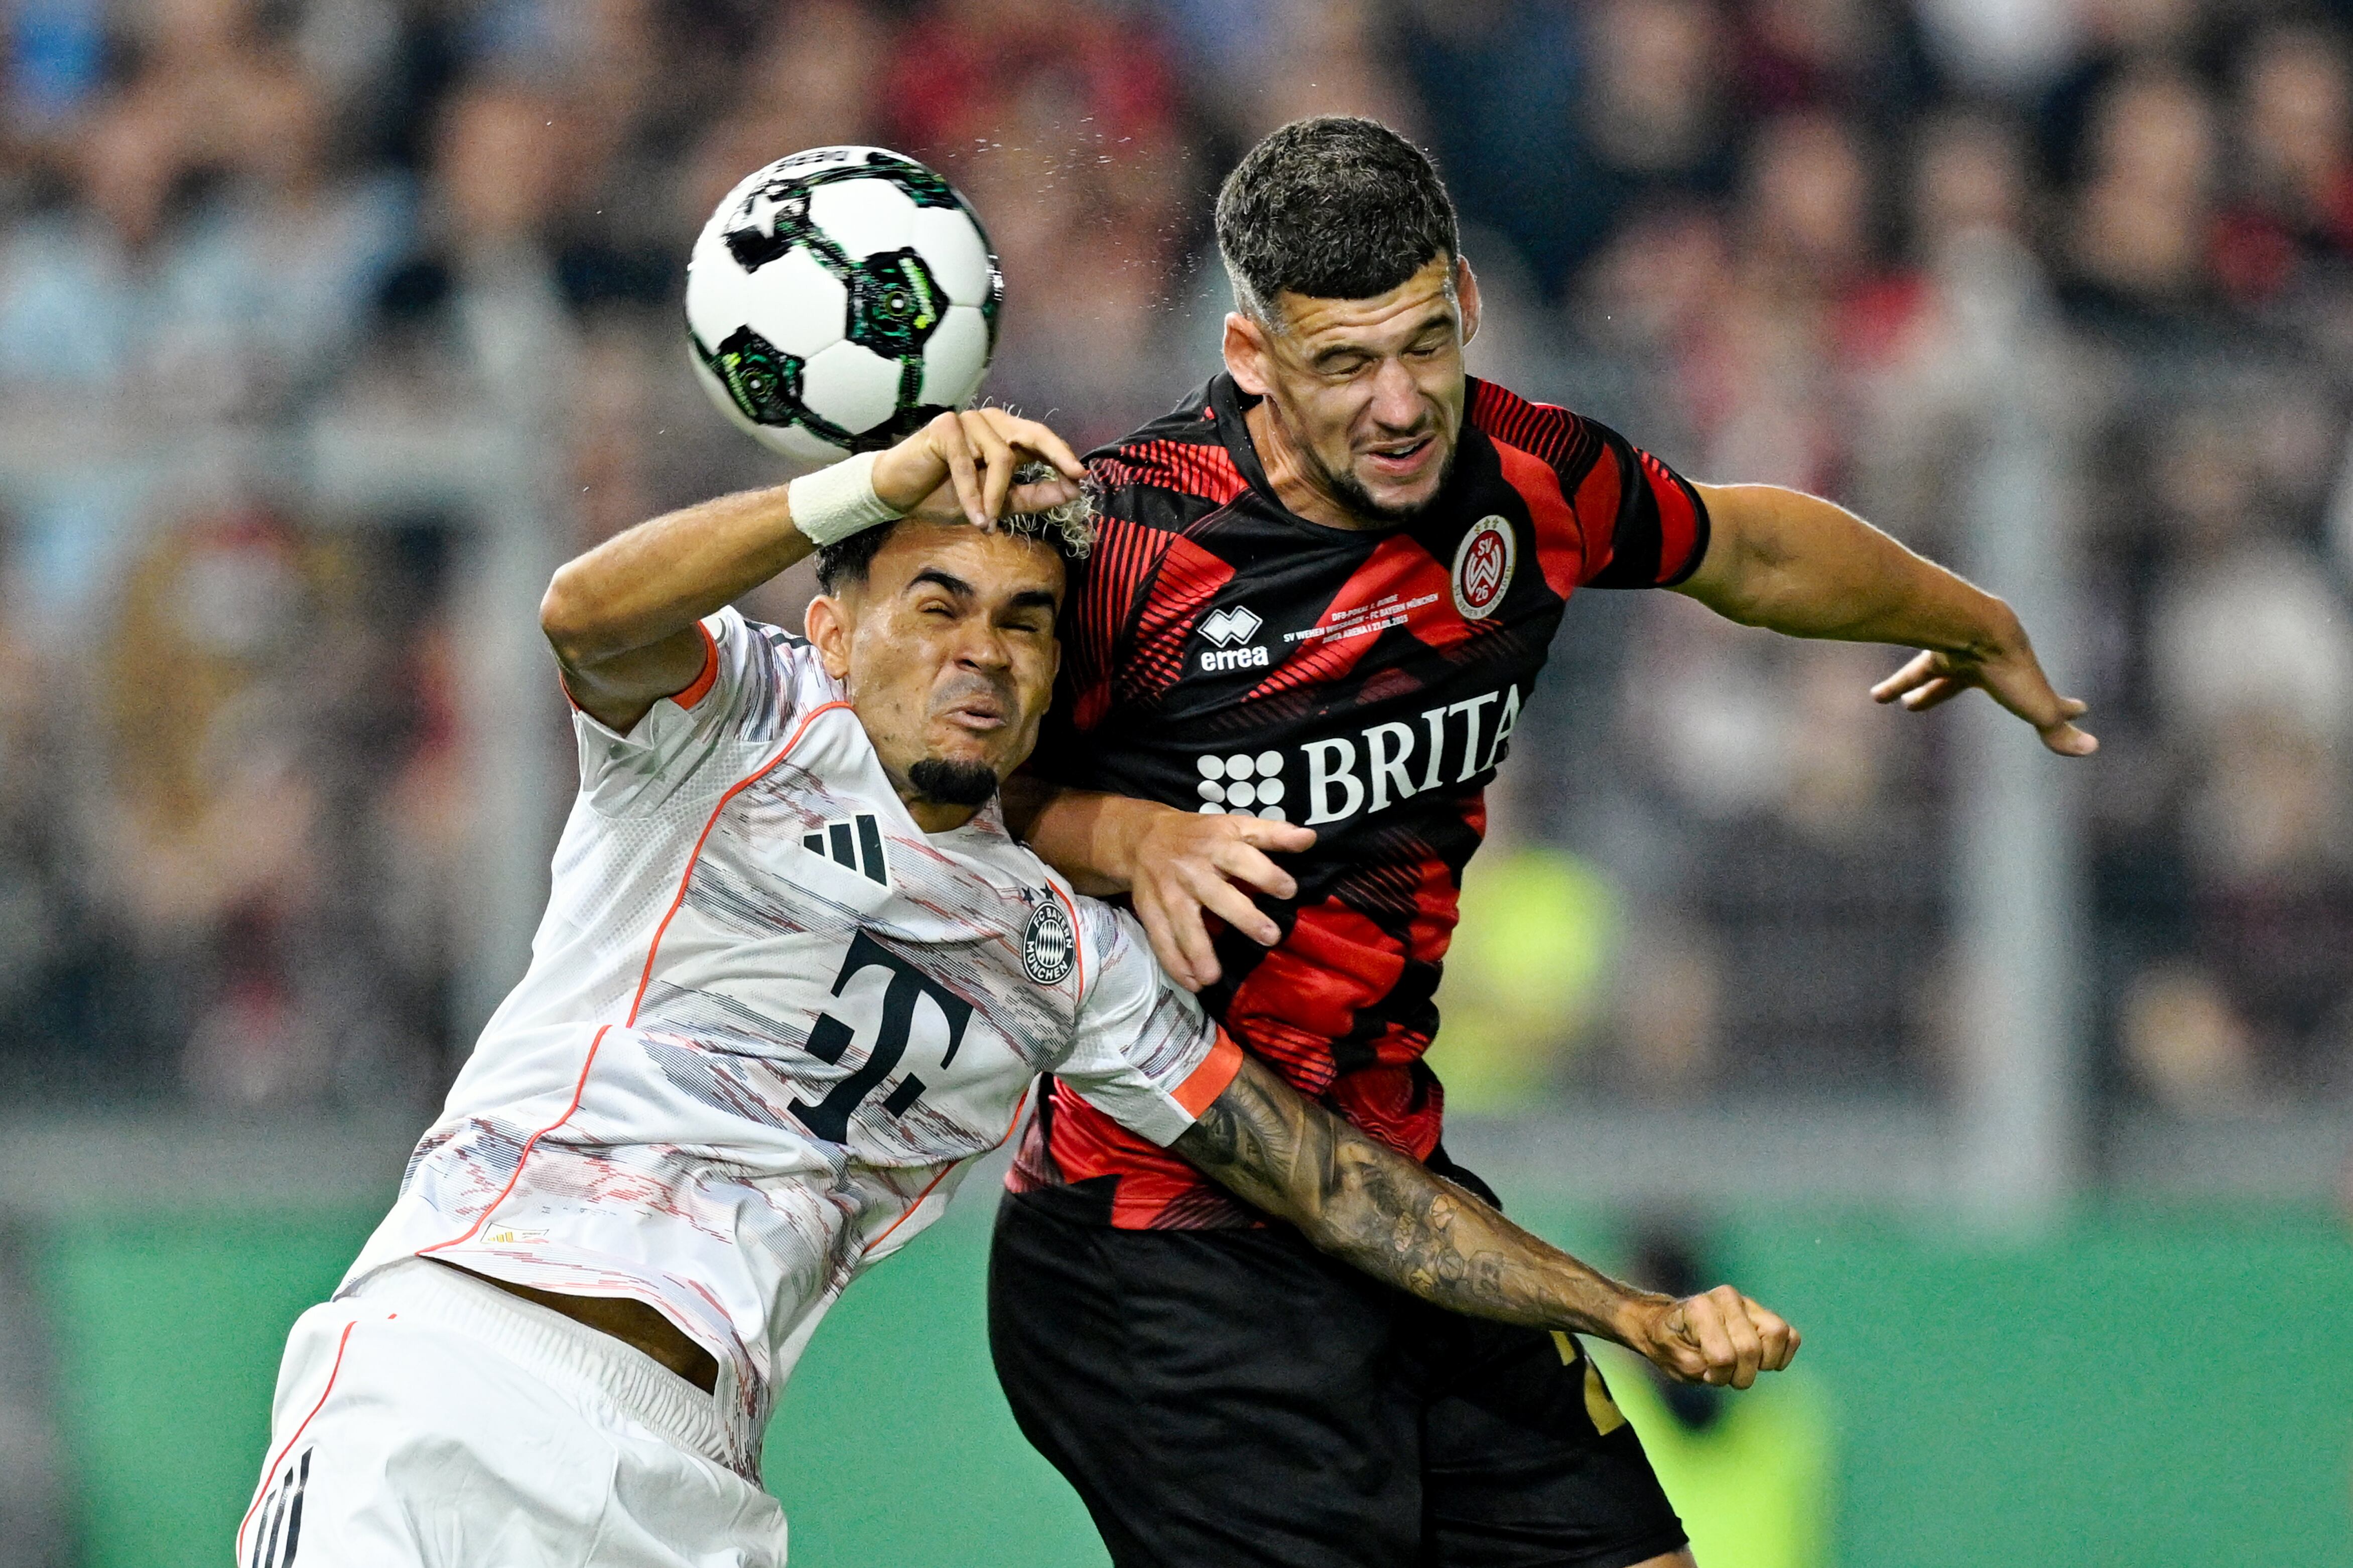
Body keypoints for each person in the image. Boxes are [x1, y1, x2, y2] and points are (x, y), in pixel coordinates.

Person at [237, 409, 1797, 1568]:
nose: (982, 650)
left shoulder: (1070, 958)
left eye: (1025, 621)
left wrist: (1625, 1312)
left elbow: (1334, 1185)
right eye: (937, 604)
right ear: (833, 629)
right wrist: (867, 484)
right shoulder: (736, 725)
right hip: (457, 1364)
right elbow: (581, 613)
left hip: (693, 1474)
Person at [992, 117, 2094, 1568]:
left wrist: (1974, 618)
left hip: (1403, 1204)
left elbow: (1745, 548)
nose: (1402, 404)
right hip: (1161, 1240)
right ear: (1252, 355)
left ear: (1468, 302)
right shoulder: (1125, 539)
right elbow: (966, 795)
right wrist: (1130, 834)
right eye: (1345, 365)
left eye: (1426, 344)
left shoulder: (1527, 478)